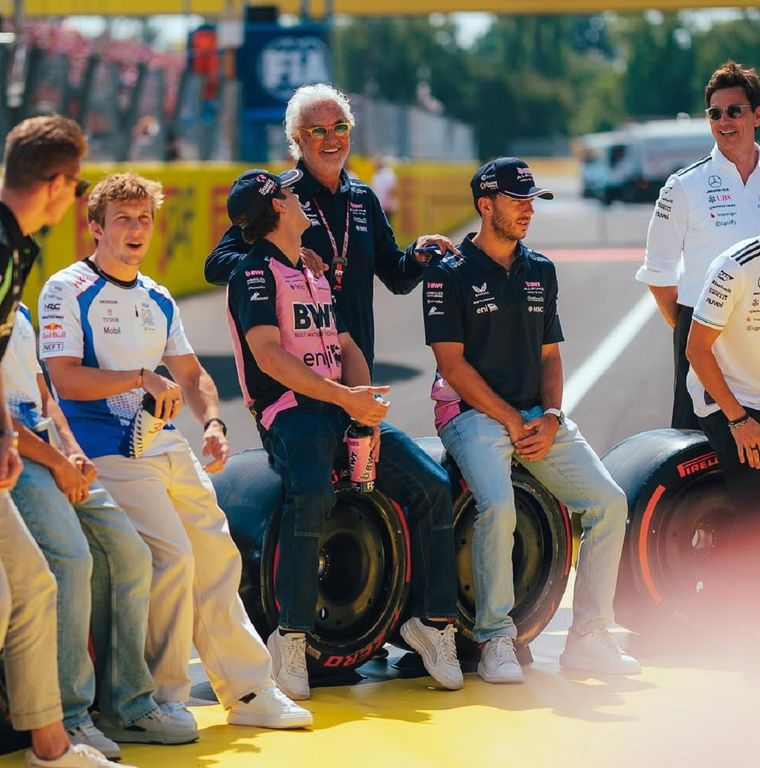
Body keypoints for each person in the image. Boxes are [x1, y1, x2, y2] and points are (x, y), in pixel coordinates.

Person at [38, 172, 312, 732]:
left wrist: (211, 421)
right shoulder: (65, 288)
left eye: (144, 219)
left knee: (216, 554)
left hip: (166, 445)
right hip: (104, 451)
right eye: (123, 220)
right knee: (172, 557)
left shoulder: (158, 297)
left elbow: (190, 374)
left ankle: (249, 691)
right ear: (95, 228)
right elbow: (63, 380)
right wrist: (140, 377)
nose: (136, 230)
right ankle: (158, 700)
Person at [224, 167, 463, 697]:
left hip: (340, 407)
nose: (298, 196)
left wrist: (365, 405)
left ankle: (433, 622)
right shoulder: (254, 273)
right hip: (289, 412)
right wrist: (342, 399)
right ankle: (291, 639)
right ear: (279, 208)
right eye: (289, 193)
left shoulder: (312, 271)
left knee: (430, 483)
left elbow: (348, 346)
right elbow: (268, 355)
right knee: (311, 492)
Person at [423, 157, 641, 682]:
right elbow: (451, 365)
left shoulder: (541, 269)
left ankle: (588, 637)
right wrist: (509, 418)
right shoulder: (447, 273)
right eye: (517, 200)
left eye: (532, 201)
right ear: (485, 204)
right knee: (498, 506)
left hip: (532, 416)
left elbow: (550, 356)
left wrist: (549, 415)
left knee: (608, 504)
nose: (527, 210)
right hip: (469, 414)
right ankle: (496, 637)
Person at [4, 304, 198, 756]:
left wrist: (71, 451)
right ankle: (68, 718)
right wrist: (55, 460)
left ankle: (126, 707)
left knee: (129, 552)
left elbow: (44, 396)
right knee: (71, 560)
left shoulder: (20, 309)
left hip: (49, 447)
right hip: (16, 455)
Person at [0, 115, 125, 767]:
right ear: (54, 183)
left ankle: (49, 747)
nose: (76, 201)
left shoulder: (17, 247)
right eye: (78, 188)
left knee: (36, 585)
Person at [636, 60, 760, 429]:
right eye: (715, 113)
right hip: (706, 334)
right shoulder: (683, 186)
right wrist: (692, 330)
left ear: (757, 116)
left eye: (734, 111)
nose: (724, 121)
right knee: (697, 460)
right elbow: (658, 273)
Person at [685, 235, 760, 614]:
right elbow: (696, 350)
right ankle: (730, 615)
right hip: (728, 399)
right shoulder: (735, 265)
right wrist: (740, 419)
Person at [371, 156, 398, 228]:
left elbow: (392, 190)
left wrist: (387, 202)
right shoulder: (377, 175)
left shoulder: (388, 174)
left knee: (385, 227)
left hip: (386, 206)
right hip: (380, 205)